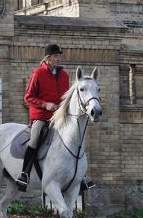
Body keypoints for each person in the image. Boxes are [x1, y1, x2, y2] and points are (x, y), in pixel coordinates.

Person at [16, 44, 94, 192]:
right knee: (35, 137)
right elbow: (28, 97)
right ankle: (24, 174)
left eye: (60, 56)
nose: (59, 58)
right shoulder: (37, 73)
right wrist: (45, 105)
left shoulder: (64, 75)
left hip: (60, 116)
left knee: (76, 137)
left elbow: (66, 97)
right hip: (42, 116)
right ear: (48, 58)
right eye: (56, 56)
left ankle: (81, 176)